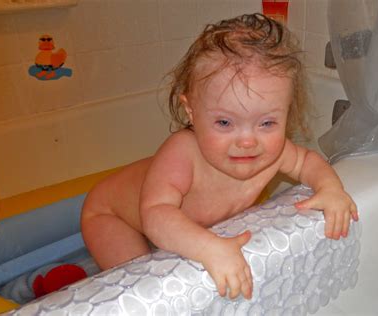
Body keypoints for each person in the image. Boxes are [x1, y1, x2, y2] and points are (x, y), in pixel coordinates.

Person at [81, 13, 359, 301]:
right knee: (144, 287)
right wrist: (208, 248)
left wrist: (330, 189)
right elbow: (156, 215)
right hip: (110, 215)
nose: (248, 141)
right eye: (225, 123)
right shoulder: (182, 153)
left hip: (158, 219)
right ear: (191, 111)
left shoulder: (272, 152)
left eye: (267, 123)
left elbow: (307, 163)